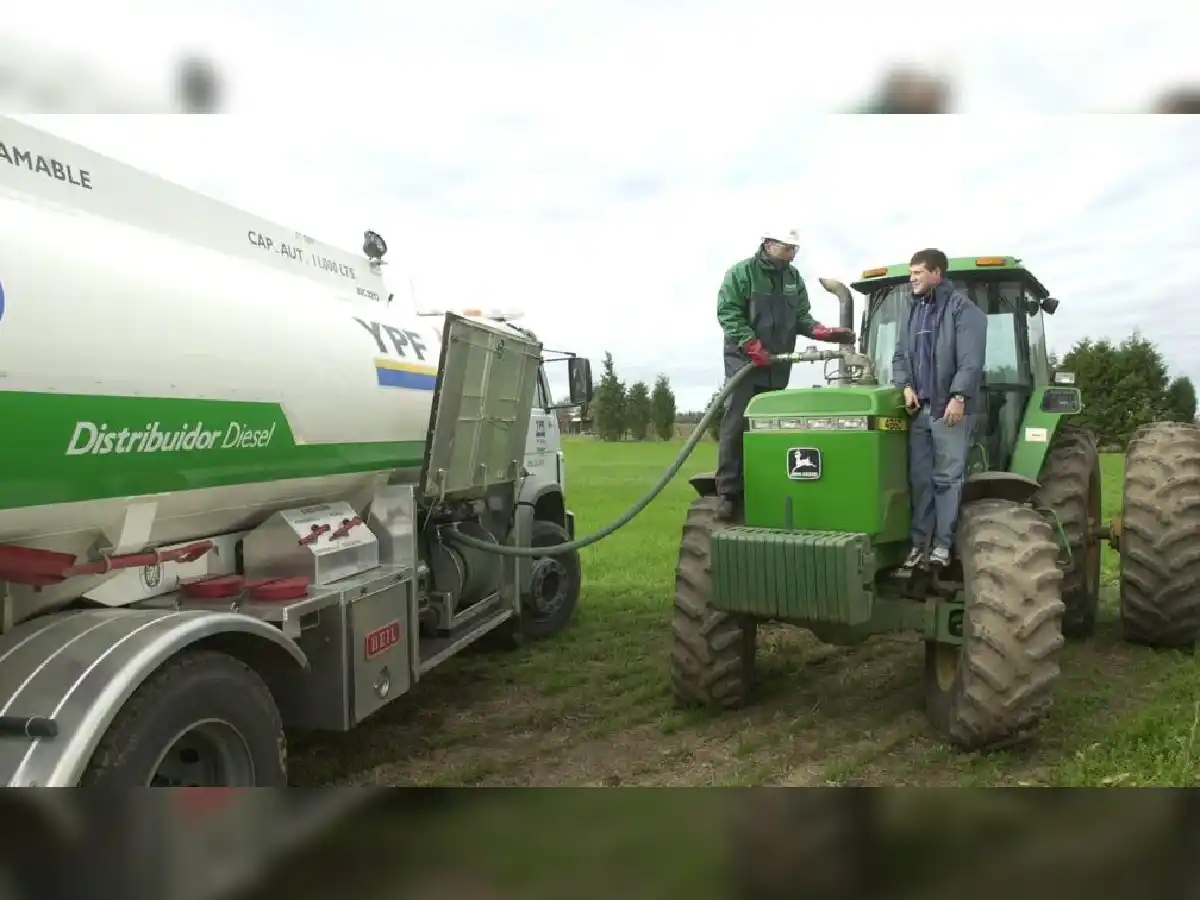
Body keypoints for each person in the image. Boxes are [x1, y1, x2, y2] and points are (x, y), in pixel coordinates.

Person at [714, 227, 856, 521]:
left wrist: (821, 332)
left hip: (778, 363)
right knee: (738, 422)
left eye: (795, 249)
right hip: (745, 362)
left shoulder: (793, 278)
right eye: (788, 247)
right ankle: (728, 493)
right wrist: (750, 343)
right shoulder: (742, 274)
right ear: (769, 244)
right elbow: (728, 312)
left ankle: (770, 487)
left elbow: (802, 317)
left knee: (773, 426)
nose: (793, 253)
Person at [890, 248, 987, 569]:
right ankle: (919, 543)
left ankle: (944, 545)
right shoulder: (911, 311)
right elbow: (900, 356)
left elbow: (970, 360)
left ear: (936, 273)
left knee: (946, 479)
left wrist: (959, 396)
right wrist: (904, 386)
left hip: (948, 410)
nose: (912, 278)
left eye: (918, 272)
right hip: (919, 411)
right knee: (920, 479)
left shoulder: (963, 310)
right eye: (911, 272)